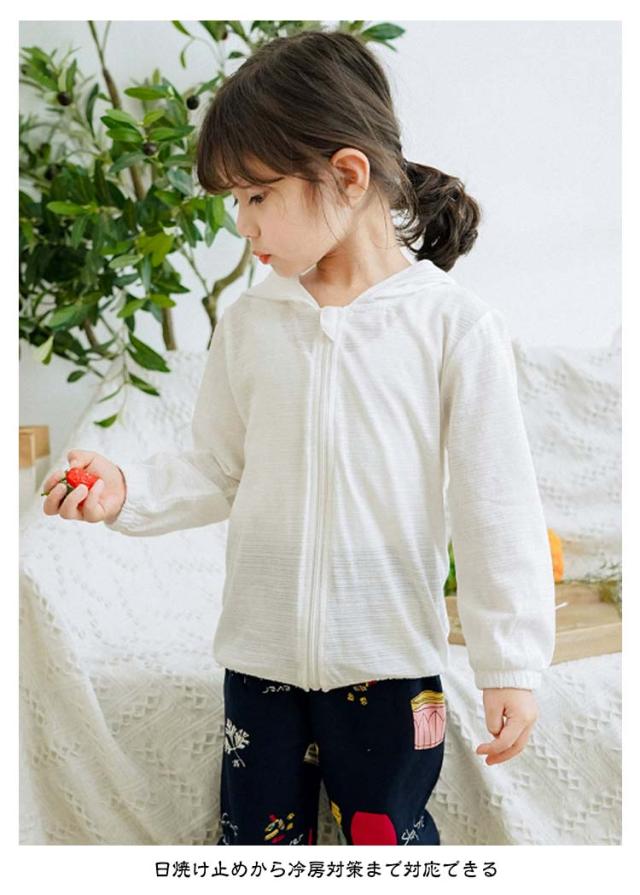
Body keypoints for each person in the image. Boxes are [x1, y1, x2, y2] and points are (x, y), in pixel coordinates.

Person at [41, 29, 555, 846]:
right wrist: (126, 491)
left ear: (347, 176)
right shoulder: (251, 323)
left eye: (257, 195)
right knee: (254, 851)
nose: (242, 224)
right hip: (261, 666)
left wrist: (511, 665)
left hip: (391, 664)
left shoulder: (452, 327)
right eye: (235, 201)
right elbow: (217, 465)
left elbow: (496, 506)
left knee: (386, 850)